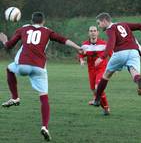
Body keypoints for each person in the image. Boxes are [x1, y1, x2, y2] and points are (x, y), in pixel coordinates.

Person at [0, 12, 83, 141]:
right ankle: (44, 126)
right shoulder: (48, 31)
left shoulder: (23, 28)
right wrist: (78, 47)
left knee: (10, 69)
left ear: (32, 20)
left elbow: (8, 46)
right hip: (39, 68)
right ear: (43, 21)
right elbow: (63, 40)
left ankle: (15, 98)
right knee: (44, 97)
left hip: (23, 66)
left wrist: (4, 39)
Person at [93, 12, 141, 107]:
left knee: (106, 76)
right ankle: (139, 80)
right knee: (134, 72)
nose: (99, 26)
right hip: (134, 51)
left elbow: (111, 43)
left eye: (99, 23)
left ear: (105, 21)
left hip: (120, 52)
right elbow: (140, 25)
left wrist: (102, 57)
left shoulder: (110, 29)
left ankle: (97, 99)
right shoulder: (123, 24)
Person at [79, 26, 111, 115]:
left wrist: (114, 67)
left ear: (97, 33)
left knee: (98, 88)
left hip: (102, 69)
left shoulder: (104, 44)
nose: (93, 32)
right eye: (91, 31)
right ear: (88, 33)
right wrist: (81, 60)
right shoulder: (85, 45)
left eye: (94, 31)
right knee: (94, 90)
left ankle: (96, 100)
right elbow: (81, 54)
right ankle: (106, 109)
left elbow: (111, 54)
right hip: (91, 70)